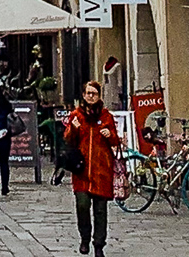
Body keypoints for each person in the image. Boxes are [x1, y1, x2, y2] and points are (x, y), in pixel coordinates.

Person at [65, 80, 122, 257]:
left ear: (99, 96)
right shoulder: (76, 115)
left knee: (100, 210)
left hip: (101, 170)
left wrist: (110, 135)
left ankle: (98, 244)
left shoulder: (106, 117)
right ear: (83, 95)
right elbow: (68, 140)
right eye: (88, 93)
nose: (91, 96)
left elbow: (115, 141)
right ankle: (84, 237)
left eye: (94, 93)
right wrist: (73, 129)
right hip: (82, 170)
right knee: (82, 205)